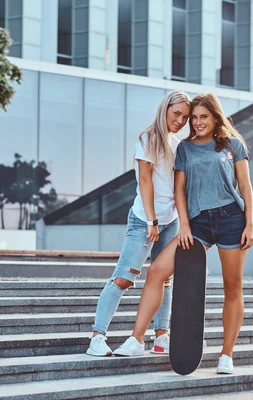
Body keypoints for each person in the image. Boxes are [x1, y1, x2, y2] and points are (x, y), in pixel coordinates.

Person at [112, 93, 253, 375]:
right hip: (197, 224)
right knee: (157, 272)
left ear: (215, 118)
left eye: (204, 117)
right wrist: (185, 226)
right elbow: (179, 189)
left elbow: (246, 187)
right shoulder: (185, 149)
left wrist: (250, 224)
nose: (197, 122)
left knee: (232, 287)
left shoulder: (233, 146)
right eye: (194, 118)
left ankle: (226, 355)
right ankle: (136, 338)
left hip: (231, 221)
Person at [85, 90, 192, 357]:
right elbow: (144, 181)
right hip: (145, 221)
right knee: (123, 278)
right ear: (165, 109)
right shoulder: (148, 138)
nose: (180, 120)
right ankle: (97, 337)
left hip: (171, 222)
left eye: (185, 117)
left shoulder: (177, 143)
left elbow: (177, 187)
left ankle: (161, 336)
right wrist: (152, 220)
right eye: (176, 113)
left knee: (165, 279)